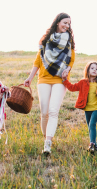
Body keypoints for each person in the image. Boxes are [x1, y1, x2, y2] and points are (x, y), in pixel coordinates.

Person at [24, 12, 76, 155]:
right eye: (65, 22)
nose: (67, 25)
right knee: (44, 113)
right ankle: (45, 137)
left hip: (60, 79)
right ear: (58, 22)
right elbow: (38, 60)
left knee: (53, 111)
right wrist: (30, 78)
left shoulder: (68, 40)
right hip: (44, 79)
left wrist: (68, 69)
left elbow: (71, 59)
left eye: (69, 23)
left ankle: (48, 143)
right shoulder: (45, 39)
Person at [63, 62, 97, 154]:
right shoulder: (83, 82)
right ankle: (94, 145)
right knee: (90, 126)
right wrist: (65, 80)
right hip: (87, 108)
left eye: (96, 69)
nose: (94, 70)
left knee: (92, 124)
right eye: (92, 68)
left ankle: (92, 144)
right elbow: (72, 88)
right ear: (87, 70)